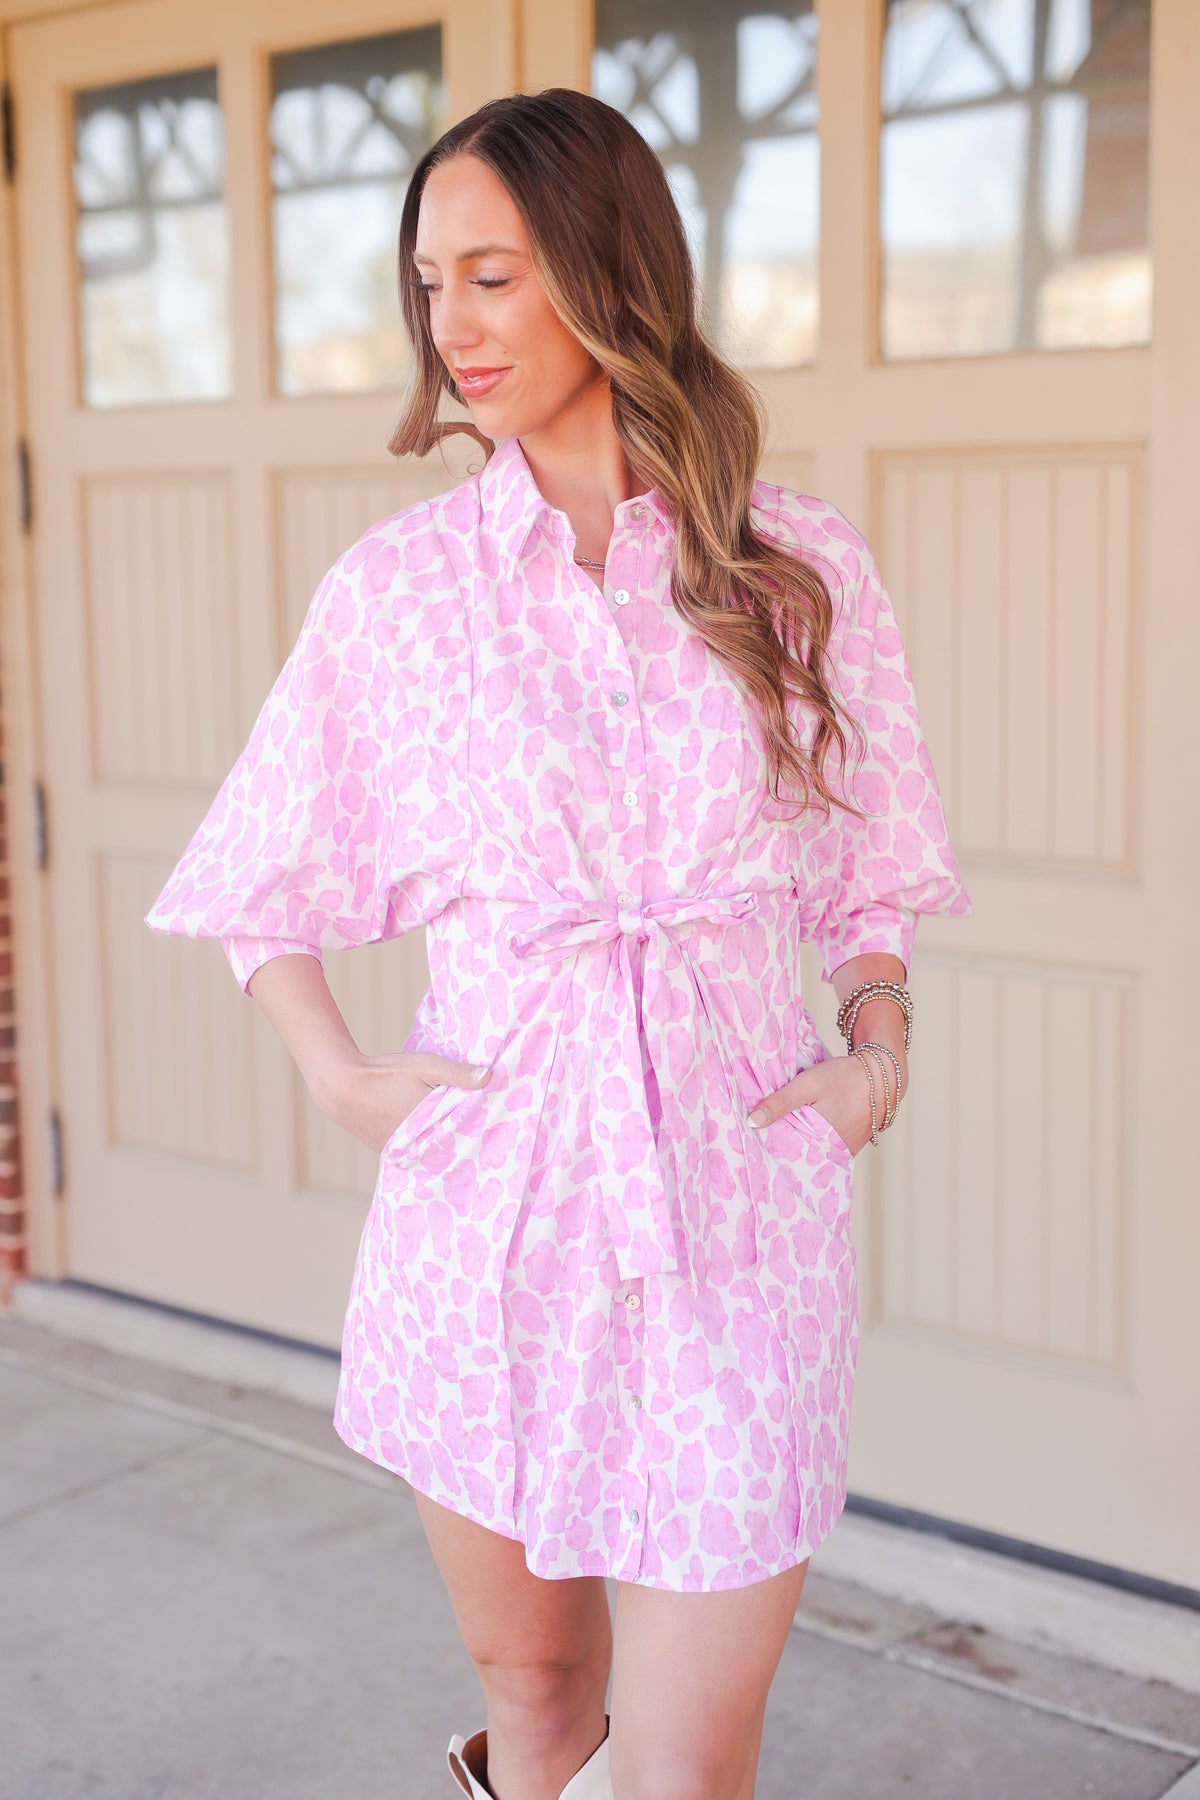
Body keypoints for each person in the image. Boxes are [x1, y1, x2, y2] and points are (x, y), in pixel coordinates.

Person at [145, 86, 971, 1800]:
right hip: (491, 1225)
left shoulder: (793, 567)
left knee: (687, 1766)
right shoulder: (403, 592)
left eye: (493, 275)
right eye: (427, 282)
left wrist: (875, 1060)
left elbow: (869, 869)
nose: (449, 324)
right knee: (534, 1699)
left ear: (608, 274)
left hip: (734, 1218)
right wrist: (348, 1080)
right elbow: (261, 875)